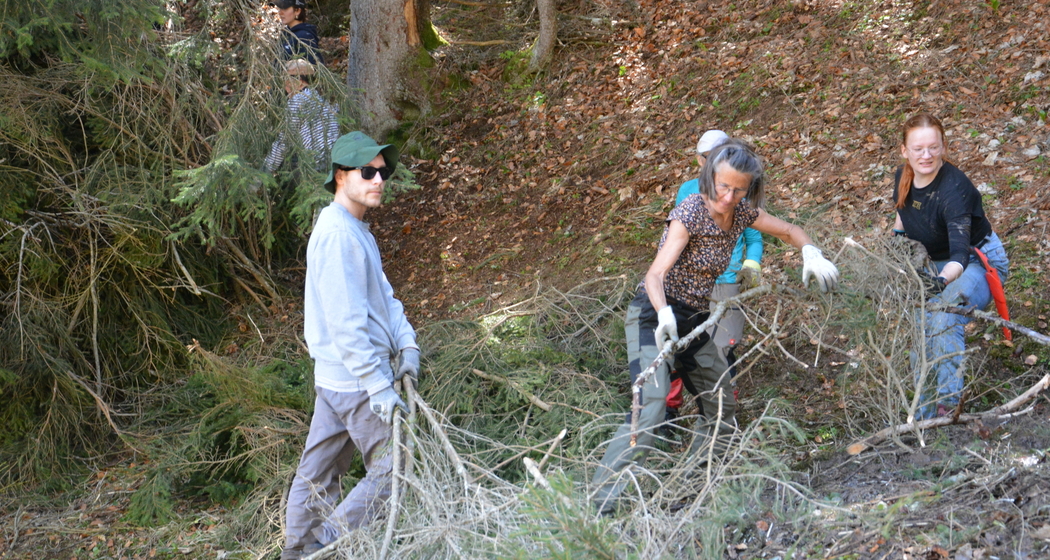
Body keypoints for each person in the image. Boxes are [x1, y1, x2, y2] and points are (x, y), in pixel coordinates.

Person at [592, 139, 839, 514]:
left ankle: (698, 481)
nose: (728, 196)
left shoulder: (741, 212)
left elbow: (789, 229)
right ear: (709, 176)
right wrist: (662, 314)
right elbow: (655, 274)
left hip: (693, 319)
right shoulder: (690, 211)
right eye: (723, 186)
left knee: (722, 401)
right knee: (653, 405)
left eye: (739, 189)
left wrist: (810, 251)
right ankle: (600, 503)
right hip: (653, 317)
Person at [281, 131, 420, 559]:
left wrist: (407, 343)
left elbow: (383, 297)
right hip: (357, 382)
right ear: (341, 176)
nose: (379, 179)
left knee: (316, 474)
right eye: (368, 171)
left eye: (383, 172)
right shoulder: (338, 236)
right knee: (397, 468)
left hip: (338, 380)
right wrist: (379, 387)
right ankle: (326, 547)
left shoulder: (354, 229)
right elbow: (346, 324)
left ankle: (298, 550)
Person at [890, 113, 1009, 419]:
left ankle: (948, 405)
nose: (926, 155)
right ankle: (922, 410)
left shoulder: (953, 190)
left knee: (943, 315)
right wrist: (894, 242)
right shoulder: (902, 177)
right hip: (935, 262)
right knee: (919, 323)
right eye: (918, 149)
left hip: (977, 261)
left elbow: (959, 255)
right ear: (905, 151)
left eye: (933, 147)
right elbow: (903, 215)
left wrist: (939, 284)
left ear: (943, 146)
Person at [665, 131, 764, 428]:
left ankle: (720, 413)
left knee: (722, 348)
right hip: (690, 285)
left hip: (728, 281)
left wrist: (751, 265)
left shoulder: (740, 193)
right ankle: (668, 411)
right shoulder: (688, 192)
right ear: (701, 161)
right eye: (710, 158)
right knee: (680, 345)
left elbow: (755, 236)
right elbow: (679, 234)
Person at [264, 59, 340, 178]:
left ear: (298, 81)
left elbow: (284, 141)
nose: (284, 85)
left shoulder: (298, 101)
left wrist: (265, 171)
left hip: (316, 164)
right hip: (337, 158)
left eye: (286, 79)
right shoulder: (325, 97)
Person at [271, 0, 323, 65]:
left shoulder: (304, 36)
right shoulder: (285, 34)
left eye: (285, 8)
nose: (281, 13)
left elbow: (313, 67)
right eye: (280, 8)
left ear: (297, 11)